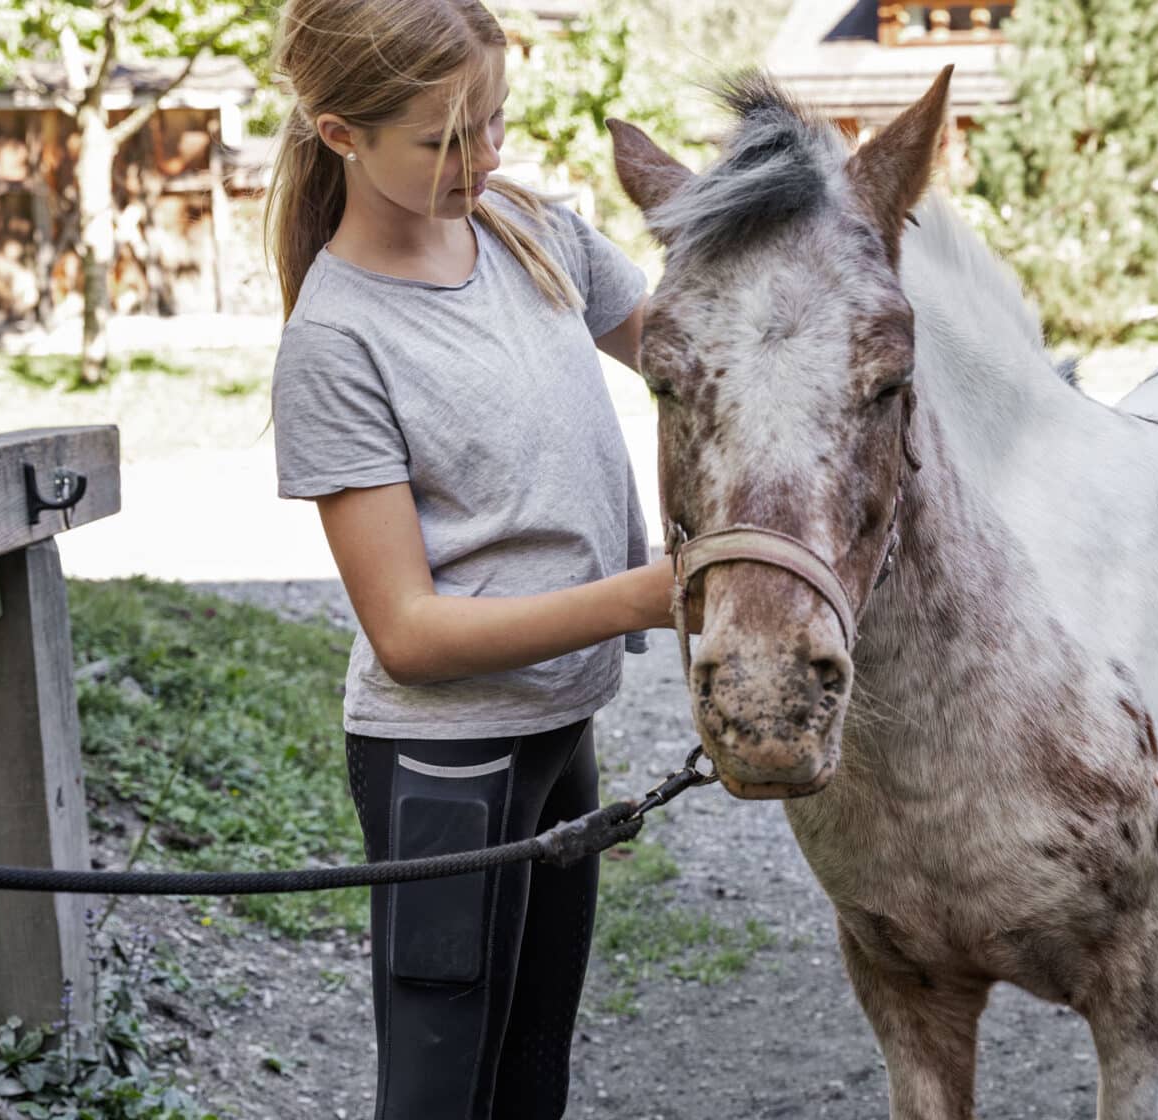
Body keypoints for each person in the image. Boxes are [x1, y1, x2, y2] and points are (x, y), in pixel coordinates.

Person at [265, 1, 674, 1115]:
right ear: (340, 133)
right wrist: (650, 594)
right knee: (442, 1091)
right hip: (444, 765)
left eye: (495, 123)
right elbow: (409, 632)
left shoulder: (529, 227)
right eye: (445, 140)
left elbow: (693, 361)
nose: (483, 159)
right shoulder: (337, 341)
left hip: (557, 727)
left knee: (532, 1070)